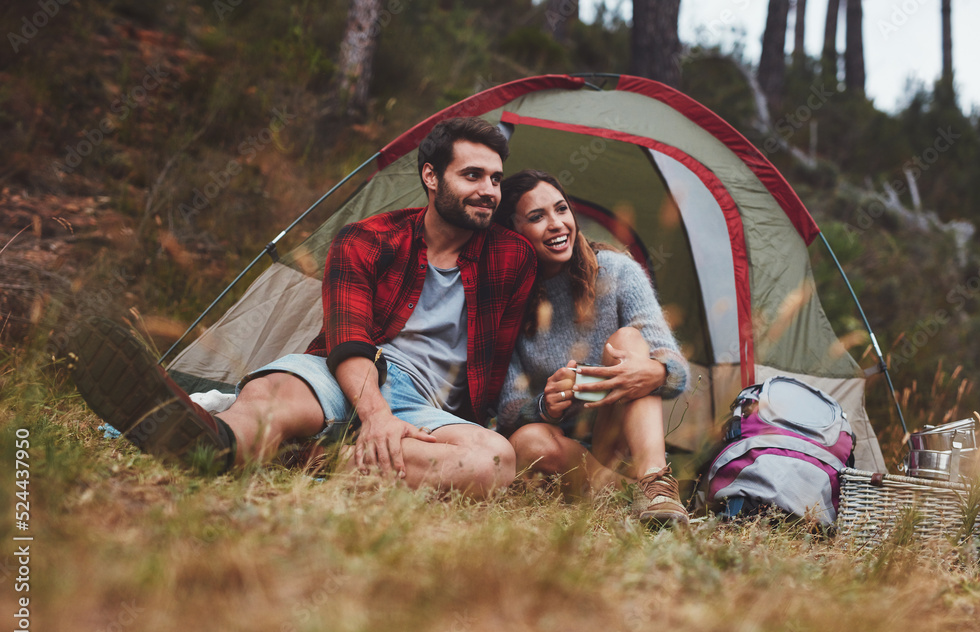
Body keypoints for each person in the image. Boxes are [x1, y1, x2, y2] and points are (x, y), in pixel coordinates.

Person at [66, 117, 536, 500]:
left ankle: (307, 456)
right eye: (472, 175)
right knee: (273, 397)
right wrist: (375, 415)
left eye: (495, 179)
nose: (489, 191)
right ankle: (211, 441)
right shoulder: (366, 238)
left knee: (494, 461)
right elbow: (348, 338)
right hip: (348, 372)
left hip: (427, 406)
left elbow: (509, 350)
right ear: (431, 177)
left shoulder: (512, 257)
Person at [493, 169, 690, 524]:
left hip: (618, 437)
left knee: (628, 340)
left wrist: (654, 371)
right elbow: (508, 412)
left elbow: (676, 370)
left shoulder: (617, 272)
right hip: (562, 450)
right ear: (513, 232)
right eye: (537, 217)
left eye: (561, 209)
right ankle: (628, 497)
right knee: (527, 443)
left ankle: (656, 485)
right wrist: (547, 406)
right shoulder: (506, 302)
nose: (557, 224)